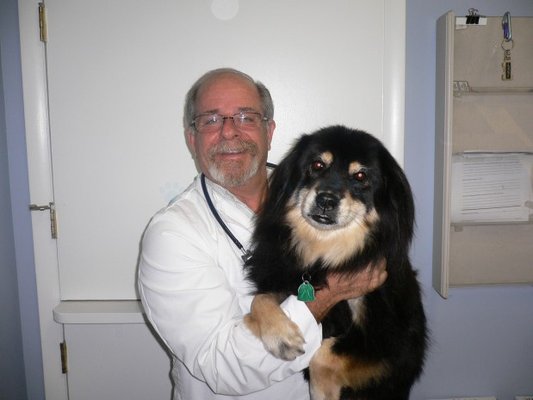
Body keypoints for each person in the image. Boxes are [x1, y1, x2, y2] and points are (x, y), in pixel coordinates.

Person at [138, 68, 387, 400]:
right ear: (191, 138)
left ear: (269, 131)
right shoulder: (171, 235)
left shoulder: (315, 197)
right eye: (211, 120)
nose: (229, 132)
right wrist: (326, 295)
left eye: (246, 117)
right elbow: (221, 368)